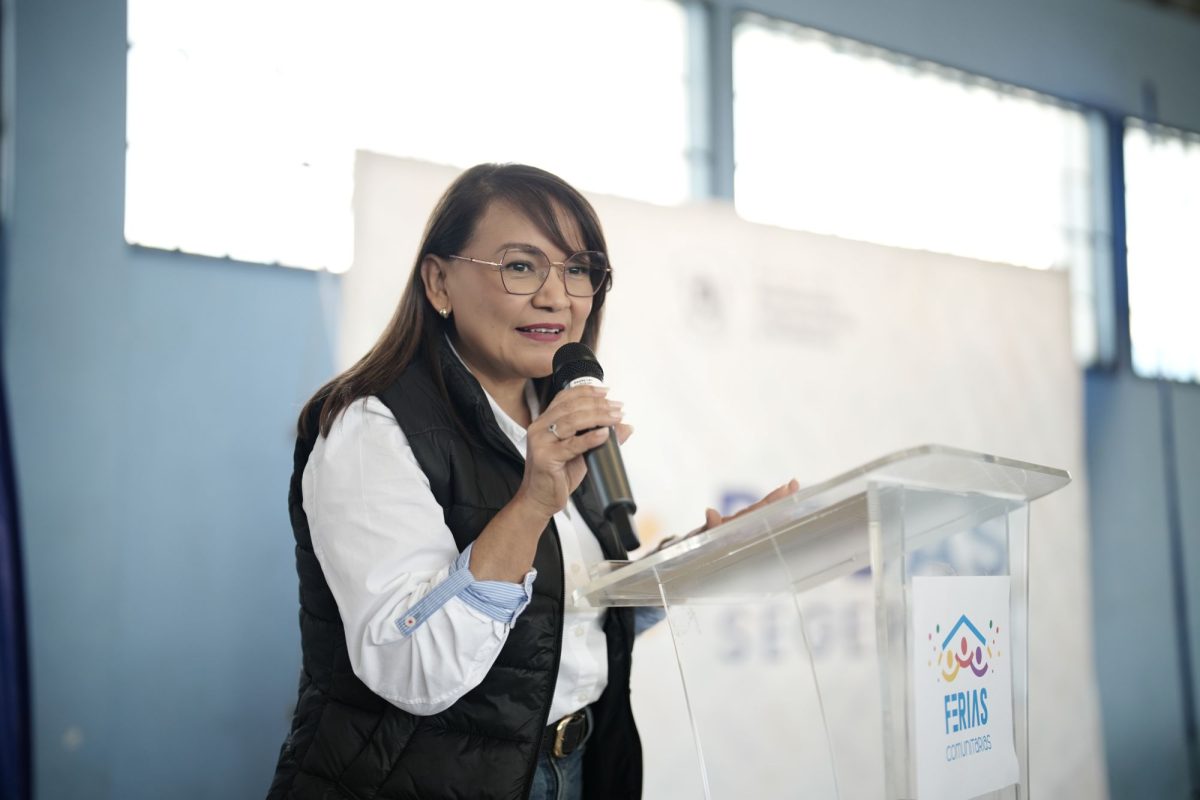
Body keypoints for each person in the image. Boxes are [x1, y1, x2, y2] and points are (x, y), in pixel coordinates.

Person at [267, 163, 795, 800]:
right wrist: (532, 503)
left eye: (579, 270)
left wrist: (702, 561)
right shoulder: (370, 428)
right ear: (438, 281)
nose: (557, 297)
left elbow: (562, 617)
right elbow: (411, 667)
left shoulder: (560, 414)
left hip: (574, 767)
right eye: (521, 266)